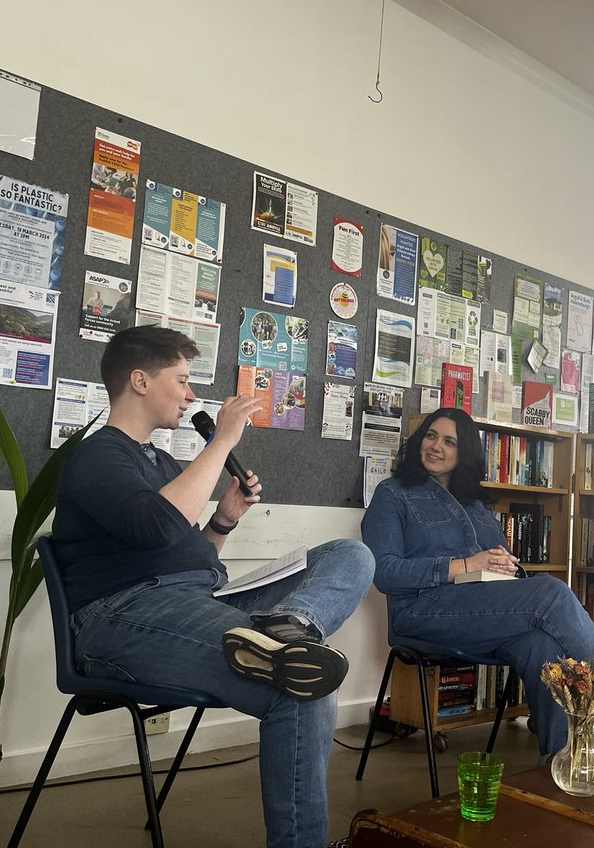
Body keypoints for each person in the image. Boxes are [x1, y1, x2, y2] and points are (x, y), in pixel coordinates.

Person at [52, 325, 374, 848]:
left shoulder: (161, 462)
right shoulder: (97, 456)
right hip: (122, 616)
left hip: (197, 599)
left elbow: (190, 555)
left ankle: (291, 626)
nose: (190, 394)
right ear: (139, 380)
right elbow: (156, 526)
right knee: (303, 684)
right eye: (181, 380)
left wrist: (223, 521)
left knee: (349, 554)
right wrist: (223, 439)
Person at [361, 407, 594, 760]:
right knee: (551, 591)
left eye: (449, 442)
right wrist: (463, 565)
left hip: (481, 609)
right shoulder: (393, 494)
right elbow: (384, 572)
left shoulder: (477, 505)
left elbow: (502, 561)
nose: (435, 446)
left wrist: (510, 568)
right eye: (430, 436)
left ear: (465, 454)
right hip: (422, 609)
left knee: (542, 648)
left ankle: (560, 764)